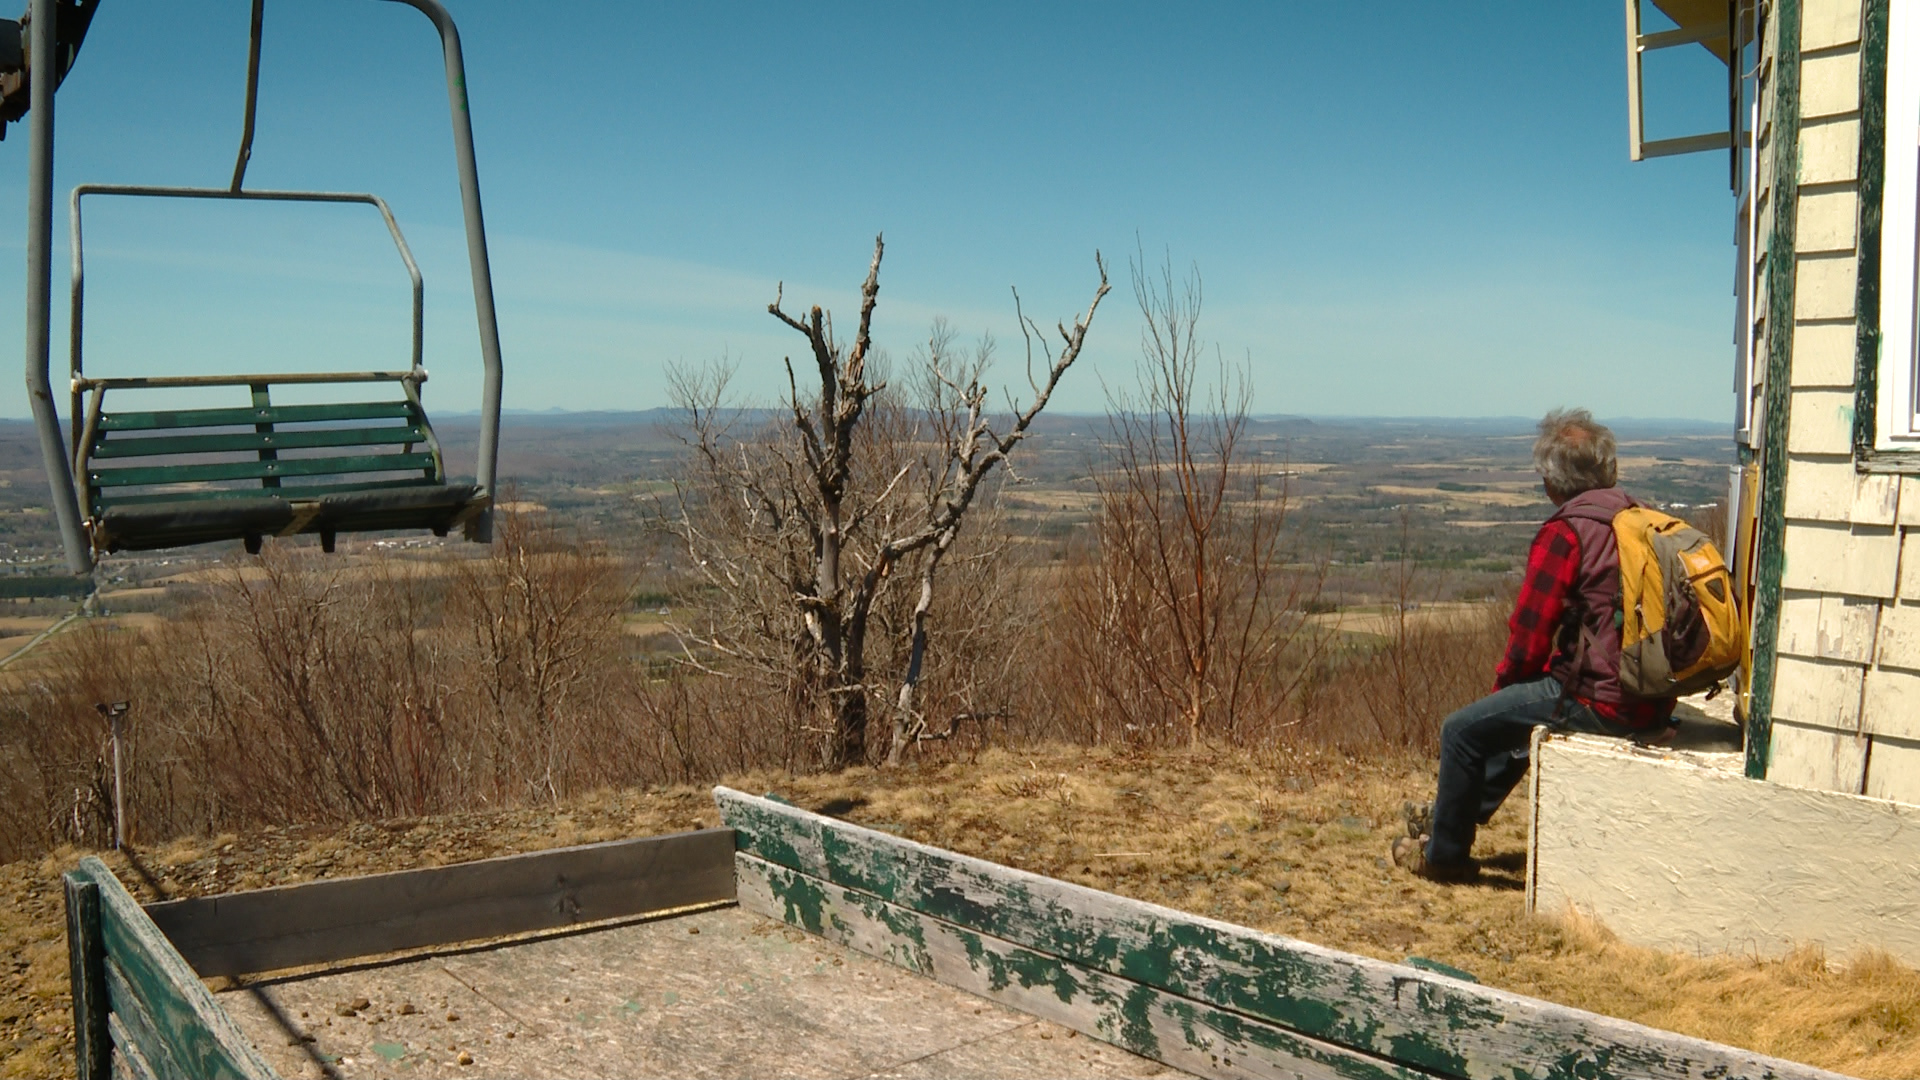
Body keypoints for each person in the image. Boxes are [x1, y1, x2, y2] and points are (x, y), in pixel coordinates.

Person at [1390, 408, 1679, 883]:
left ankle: (1443, 857)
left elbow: (1529, 635)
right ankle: (1449, 812)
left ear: (1552, 483)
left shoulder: (1566, 533)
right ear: (1608, 470)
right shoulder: (1640, 521)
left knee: (1463, 730)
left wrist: (1503, 687)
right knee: (1520, 714)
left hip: (1603, 701)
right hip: (1651, 697)